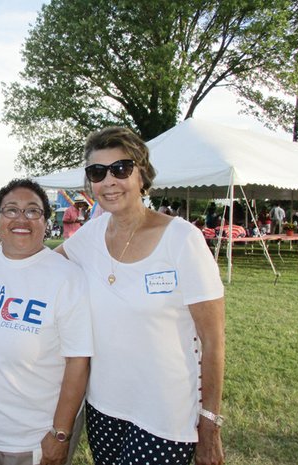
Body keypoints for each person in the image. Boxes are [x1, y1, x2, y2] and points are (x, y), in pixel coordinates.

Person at [58, 127, 225, 465]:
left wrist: (210, 424)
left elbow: (213, 340)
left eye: (121, 169)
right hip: (103, 407)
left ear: (142, 175)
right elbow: (40, 264)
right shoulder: (89, 235)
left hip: (165, 415)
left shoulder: (182, 240)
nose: (109, 181)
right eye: (97, 172)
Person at [0, 179, 92, 465]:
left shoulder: (67, 277)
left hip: (35, 436)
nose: (21, 219)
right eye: (11, 210)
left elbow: (78, 362)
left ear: (46, 220)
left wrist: (59, 433)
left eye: (32, 211)